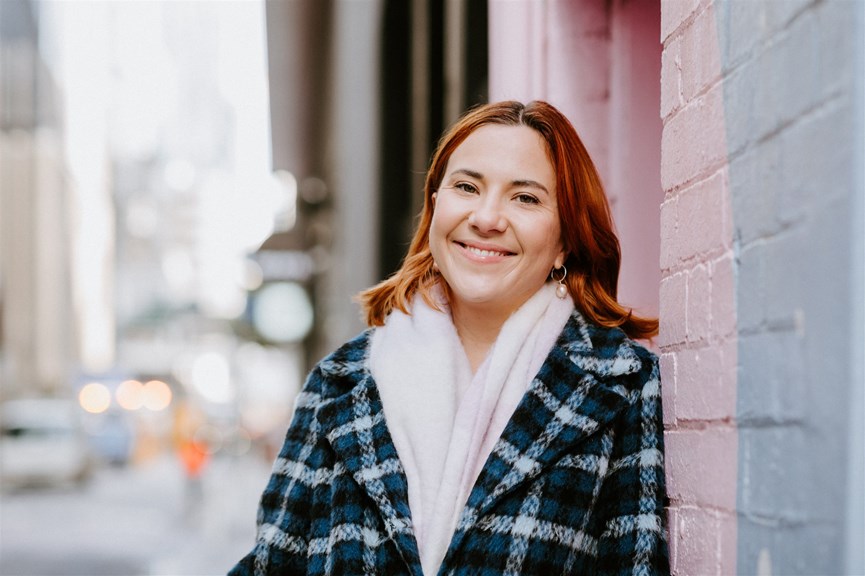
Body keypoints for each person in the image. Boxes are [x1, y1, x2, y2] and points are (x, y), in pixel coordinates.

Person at [229, 100, 669, 575]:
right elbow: (272, 565)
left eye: (525, 198)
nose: (486, 217)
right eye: (466, 187)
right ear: (435, 206)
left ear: (565, 240)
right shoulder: (340, 383)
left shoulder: (619, 384)